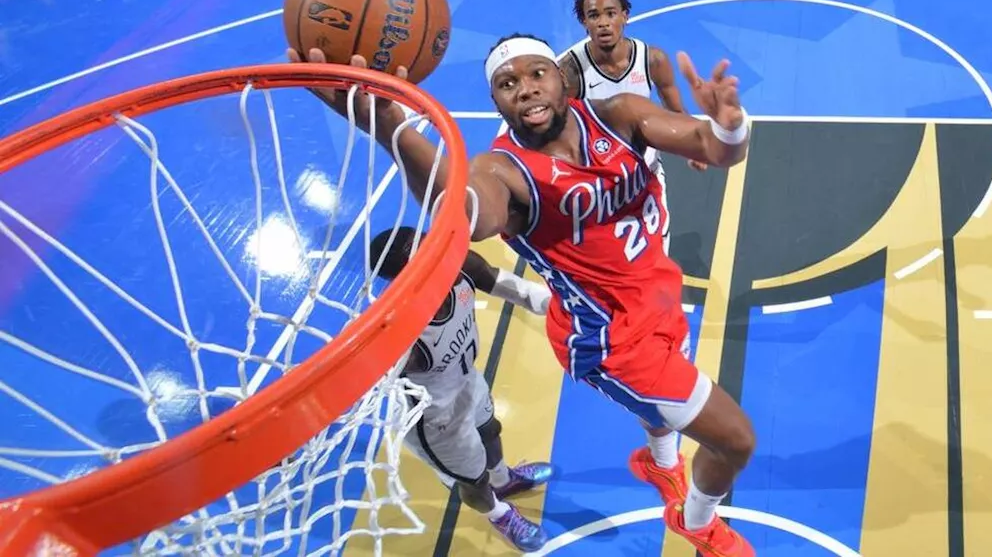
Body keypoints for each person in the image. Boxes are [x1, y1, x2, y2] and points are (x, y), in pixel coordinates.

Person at [295, 32, 758, 555]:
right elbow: (466, 213)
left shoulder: (620, 115)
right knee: (734, 439)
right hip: (609, 341)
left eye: (537, 74)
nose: (525, 89)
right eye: (507, 83)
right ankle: (697, 524)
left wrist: (729, 121)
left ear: (563, 79)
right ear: (496, 101)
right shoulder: (502, 170)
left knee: (664, 409)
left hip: (656, 296)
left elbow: (716, 150)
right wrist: (392, 130)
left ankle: (661, 463)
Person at [370, 227, 555, 553]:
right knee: (473, 481)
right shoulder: (403, 333)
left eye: (429, 241)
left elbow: (511, 287)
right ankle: (499, 514)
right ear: (405, 277)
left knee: (490, 431)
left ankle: (504, 479)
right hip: (437, 421)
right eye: (422, 253)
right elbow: (356, 388)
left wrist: (561, 304)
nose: (436, 252)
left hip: (468, 379)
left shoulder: (459, 267)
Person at [559, 0, 707, 254]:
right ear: (584, 23)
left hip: (645, 173)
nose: (603, 23)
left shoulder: (653, 59)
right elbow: (562, 132)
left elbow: (676, 111)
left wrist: (693, 145)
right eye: (594, 16)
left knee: (657, 252)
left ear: (625, 16)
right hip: (598, 182)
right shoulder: (571, 71)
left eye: (610, 13)